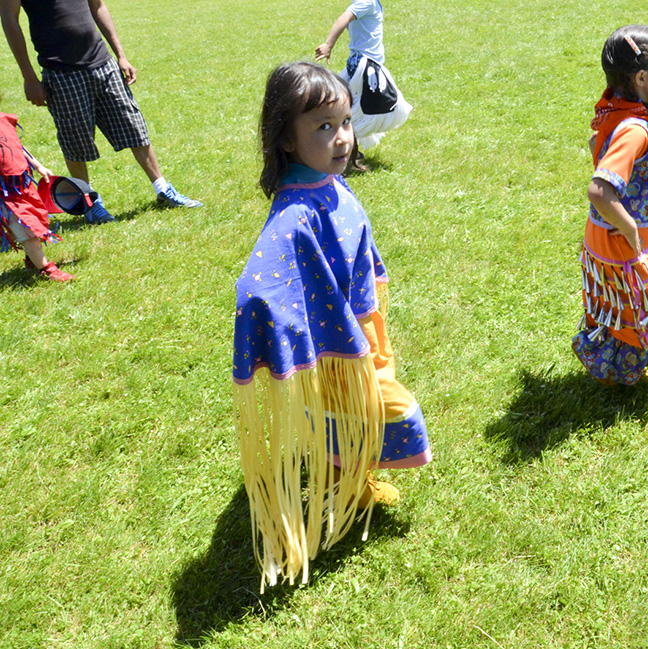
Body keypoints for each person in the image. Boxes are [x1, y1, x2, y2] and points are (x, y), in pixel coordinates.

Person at [233, 62, 431, 590]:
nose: (342, 137)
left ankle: (351, 478)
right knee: (380, 409)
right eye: (323, 127)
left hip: (361, 328)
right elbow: (258, 282)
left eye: (344, 121)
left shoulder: (326, 181)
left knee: (346, 414)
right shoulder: (295, 211)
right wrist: (264, 314)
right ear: (287, 139)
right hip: (337, 345)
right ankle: (338, 490)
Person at [0, 0, 202, 225]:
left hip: (103, 64)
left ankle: (163, 189)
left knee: (134, 126)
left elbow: (98, 7)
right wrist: (29, 76)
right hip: (61, 72)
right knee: (75, 139)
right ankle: (89, 203)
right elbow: (9, 19)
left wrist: (121, 55)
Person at [571, 25, 648, 386]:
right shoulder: (634, 129)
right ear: (641, 77)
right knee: (636, 310)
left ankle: (615, 365)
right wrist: (631, 227)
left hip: (613, 235)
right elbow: (599, 190)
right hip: (625, 241)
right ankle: (614, 373)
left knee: (624, 306)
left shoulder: (621, 113)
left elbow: (596, 145)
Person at [314, 0, 411, 158]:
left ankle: (346, 150)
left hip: (360, 63)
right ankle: (339, 149)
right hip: (366, 67)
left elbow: (350, 22)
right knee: (383, 109)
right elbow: (344, 18)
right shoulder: (367, 1)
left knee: (348, 108)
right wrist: (328, 45)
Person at [0, 110, 73, 281]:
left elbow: (17, 145)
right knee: (27, 227)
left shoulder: (2, 119)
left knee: (37, 218)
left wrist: (38, 166)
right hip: (6, 193)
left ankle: (31, 260)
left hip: (21, 183)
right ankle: (47, 269)